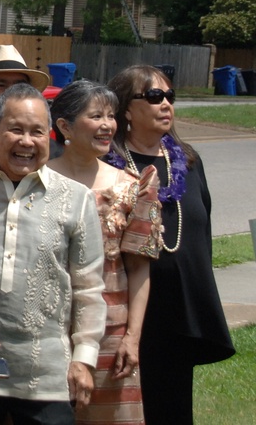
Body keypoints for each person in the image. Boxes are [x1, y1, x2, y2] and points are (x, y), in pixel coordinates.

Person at [103, 66, 234, 423]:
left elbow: (201, 233)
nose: (166, 105)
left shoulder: (187, 162)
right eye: (154, 97)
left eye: (170, 97)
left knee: (173, 409)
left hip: (180, 309)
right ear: (126, 109)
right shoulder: (108, 166)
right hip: (129, 310)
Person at [0, 83, 106, 425]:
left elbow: (89, 288)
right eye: (15, 130)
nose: (26, 142)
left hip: (48, 377)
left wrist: (84, 359)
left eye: (36, 132)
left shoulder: (76, 198)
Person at [47, 80, 162, 425]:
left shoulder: (131, 187)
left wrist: (132, 337)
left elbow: (139, 269)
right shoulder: (37, 181)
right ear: (64, 126)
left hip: (109, 334)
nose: (107, 125)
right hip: (46, 329)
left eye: (111, 116)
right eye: (95, 115)